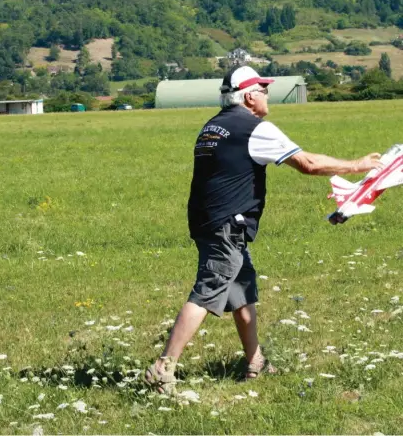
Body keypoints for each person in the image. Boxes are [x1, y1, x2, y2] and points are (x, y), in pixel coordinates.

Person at [145, 65, 383, 394]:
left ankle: (256, 363)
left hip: (207, 220)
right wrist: (357, 165)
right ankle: (164, 367)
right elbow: (308, 164)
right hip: (227, 224)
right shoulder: (254, 128)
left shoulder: (212, 126)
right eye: (263, 88)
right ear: (249, 95)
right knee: (208, 290)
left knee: (241, 292)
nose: (267, 94)